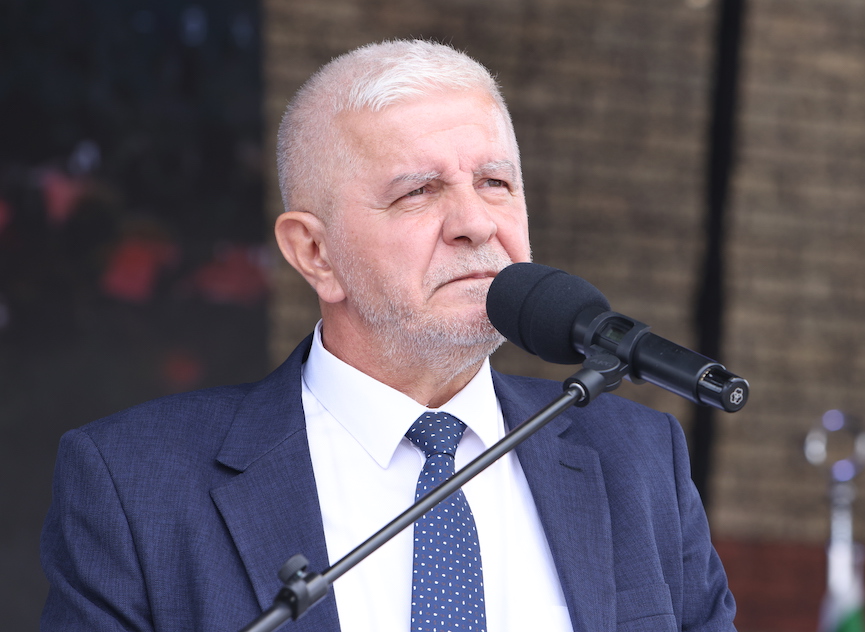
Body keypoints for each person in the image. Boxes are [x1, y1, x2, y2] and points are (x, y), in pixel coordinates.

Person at [40, 40, 738, 632]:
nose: (476, 223)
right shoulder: (135, 483)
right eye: (418, 192)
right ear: (315, 253)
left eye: (495, 182)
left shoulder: (637, 460)